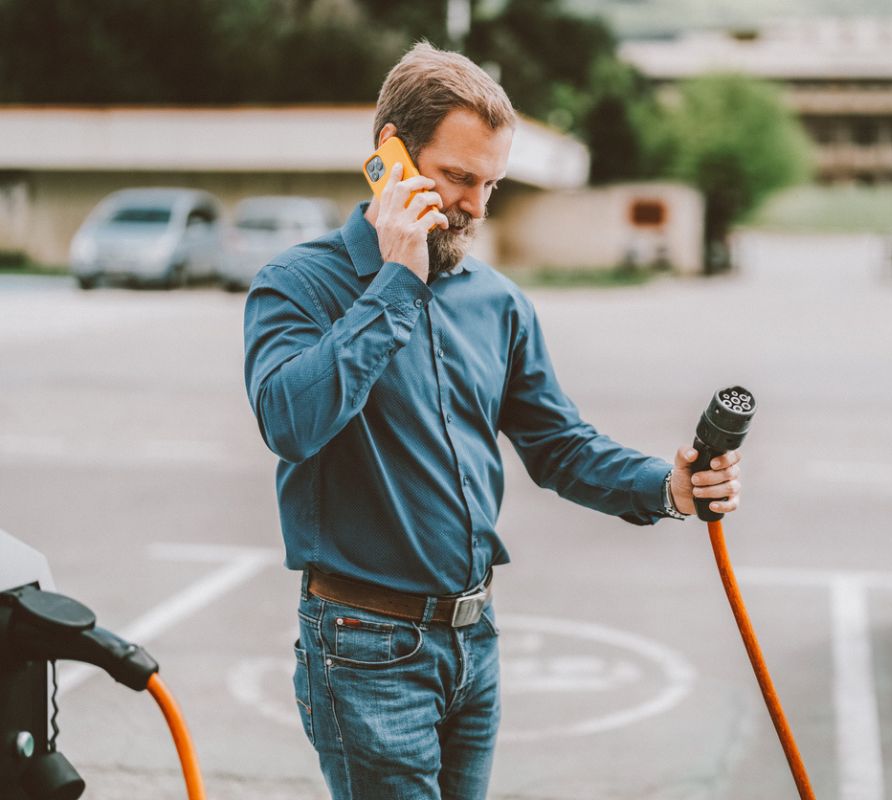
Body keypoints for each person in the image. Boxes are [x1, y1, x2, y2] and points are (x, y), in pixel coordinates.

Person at [242, 42, 743, 800]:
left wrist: (668, 487)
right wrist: (394, 284)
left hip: (473, 641)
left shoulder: (497, 303)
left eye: (492, 184)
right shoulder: (297, 285)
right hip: (364, 647)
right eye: (459, 178)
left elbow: (559, 445)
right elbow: (289, 421)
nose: (477, 205)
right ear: (392, 158)